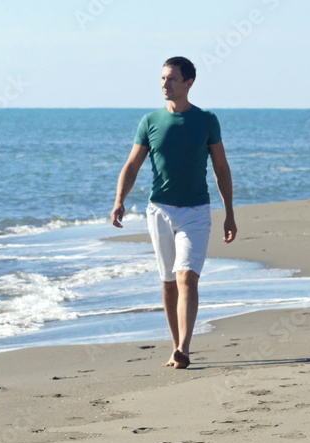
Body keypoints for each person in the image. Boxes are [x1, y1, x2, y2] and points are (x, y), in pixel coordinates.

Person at [110, 56, 237, 369]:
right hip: (160, 211)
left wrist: (230, 212)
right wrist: (119, 200)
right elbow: (132, 165)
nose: (165, 84)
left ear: (188, 83)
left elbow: (221, 167)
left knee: (187, 278)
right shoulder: (150, 121)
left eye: (171, 79)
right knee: (168, 281)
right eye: (163, 79)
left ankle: (184, 348)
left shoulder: (206, 120)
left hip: (196, 212)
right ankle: (174, 345)